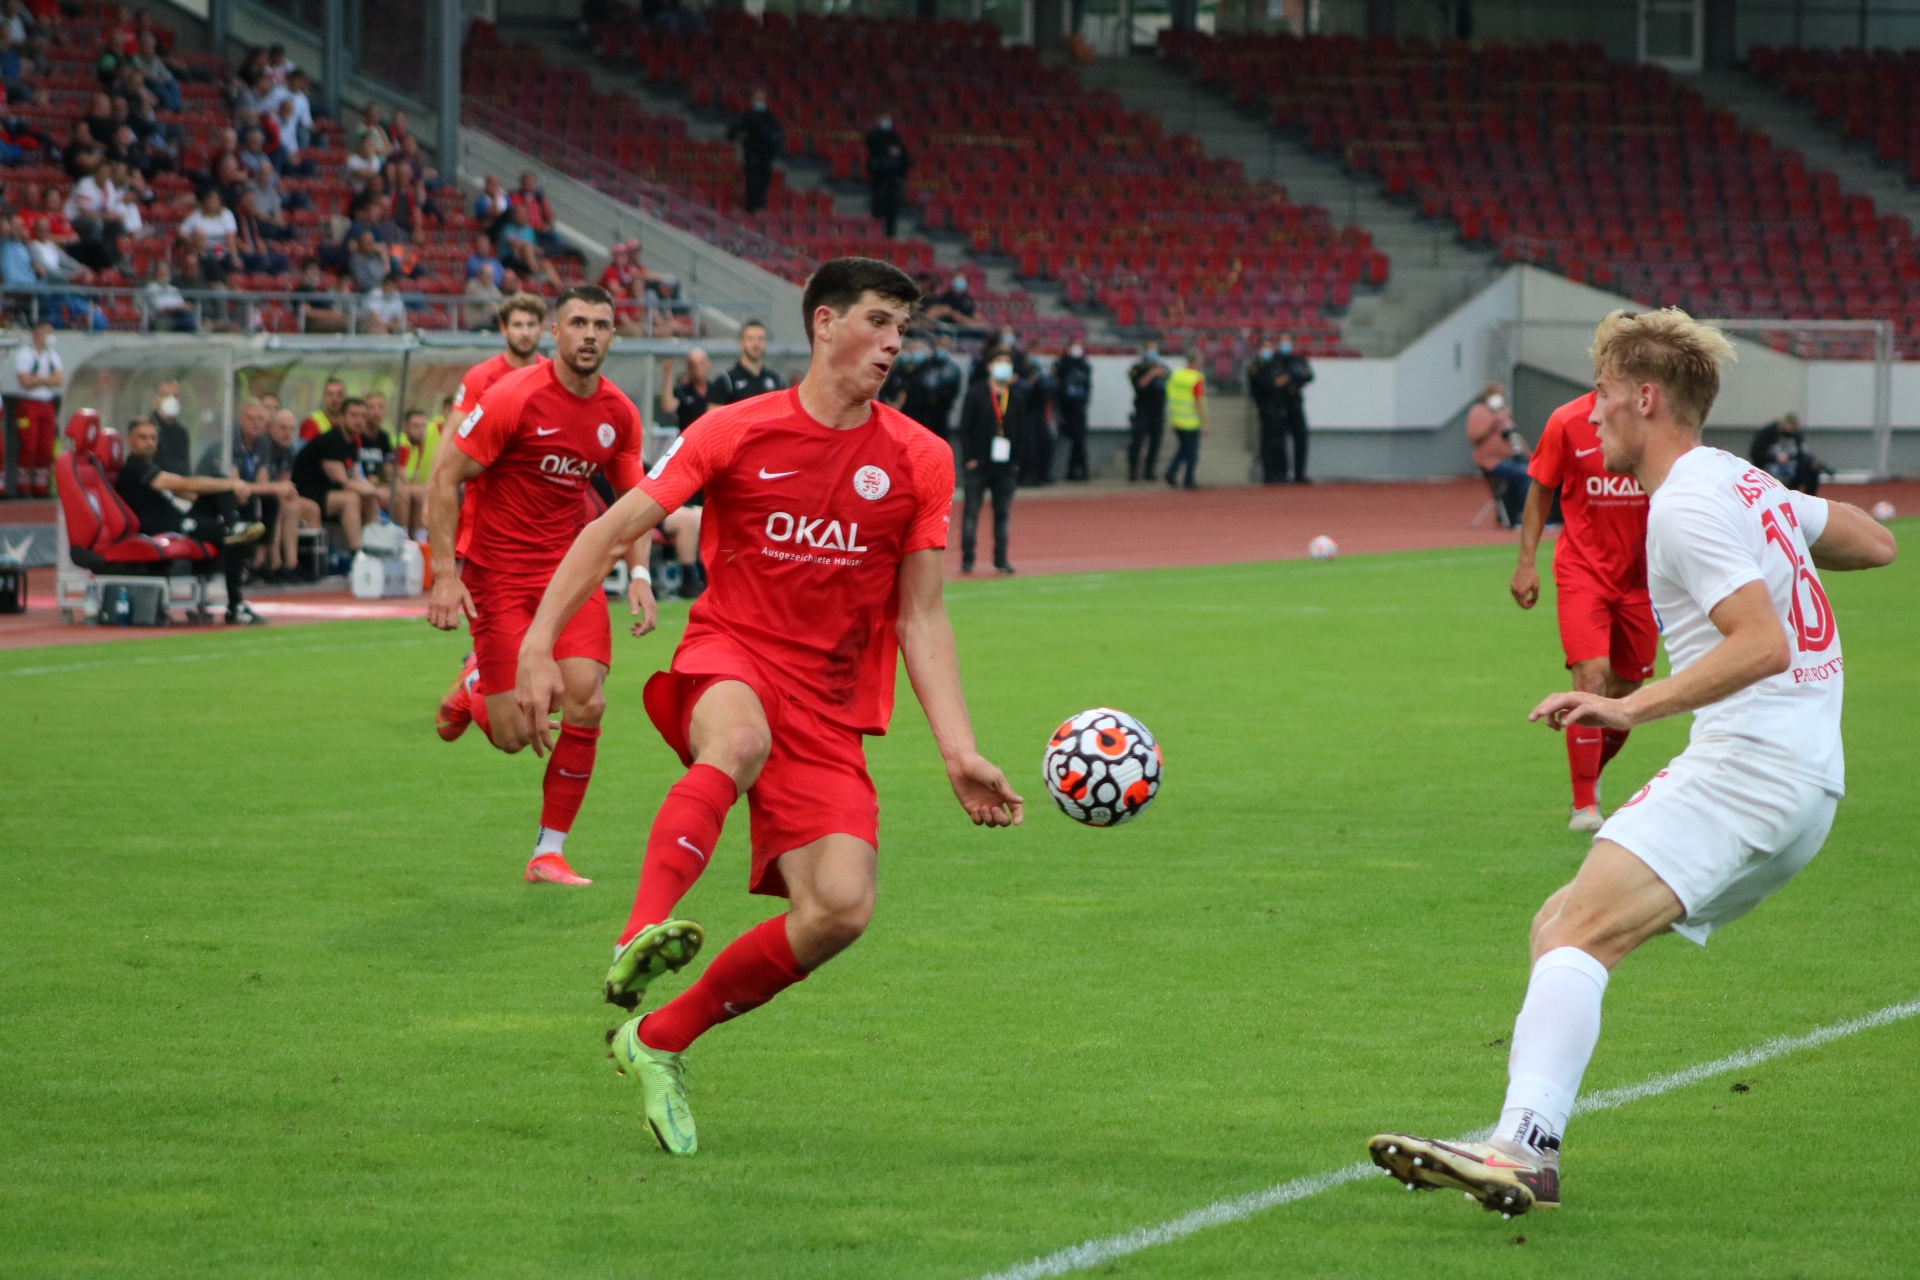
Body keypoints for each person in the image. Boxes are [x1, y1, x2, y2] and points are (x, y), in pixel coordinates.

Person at [1371, 308, 1898, 1217]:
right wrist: (1786, 517)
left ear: (1645, 399)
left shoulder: (1689, 498)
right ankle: (1525, 1138)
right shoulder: (1734, 480)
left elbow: (1762, 644)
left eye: (1606, 395)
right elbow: (1876, 540)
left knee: (1575, 933)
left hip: (1751, 767)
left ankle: (1524, 1151)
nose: (1594, 413)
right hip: (1801, 779)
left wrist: (1628, 702)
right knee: (1564, 926)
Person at [513, 257, 1022, 1157]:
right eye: (878, 322)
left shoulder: (919, 458)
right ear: (825, 325)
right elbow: (609, 529)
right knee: (737, 737)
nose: (894, 344)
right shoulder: (732, 429)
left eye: (903, 329)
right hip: (732, 653)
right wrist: (536, 645)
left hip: (829, 704)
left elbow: (921, 612)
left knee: (840, 908)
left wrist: (958, 751)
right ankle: (640, 933)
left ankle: (657, 1038)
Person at [425, 286, 647, 887]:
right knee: (514, 734)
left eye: (602, 324)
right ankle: (476, 679)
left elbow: (639, 501)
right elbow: (445, 480)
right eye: (578, 322)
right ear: (556, 331)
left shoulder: (618, 413)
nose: (590, 334)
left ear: (613, 336)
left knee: (587, 697)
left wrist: (641, 574)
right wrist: (445, 576)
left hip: (569, 573)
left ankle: (548, 852)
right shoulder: (511, 397)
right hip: (497, 575)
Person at [1510, 388, 1655, 831]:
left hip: (1642, 577)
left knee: (1627, 693)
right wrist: (1525, 562)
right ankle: (1584, 805)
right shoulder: (1567, 420)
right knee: (1591, 677)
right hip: (1582, 573)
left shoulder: (1658, 420)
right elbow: (1541, 491)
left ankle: (1590, 776)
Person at [116, 417, 268, 625]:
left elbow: (188, 493)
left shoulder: (151, 467)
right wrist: (230, 484)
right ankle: (235, 605)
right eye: (143, 438)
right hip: (165, 529)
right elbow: (184, 484)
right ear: (130, 440)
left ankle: (233, 524)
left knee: (218, 484)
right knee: (234, 535)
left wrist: (225, 487)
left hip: (180, 521)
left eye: (153, 437)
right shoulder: (135, 468)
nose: (150, 442)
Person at [958, 348, 1024, 575]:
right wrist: (969, 459)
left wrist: (1017, 461)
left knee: (1003, 513)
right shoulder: (976, 394)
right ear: (989, 366)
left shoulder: (1015, 397)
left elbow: (1022, 432)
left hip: (1005, 467)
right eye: (999, 361)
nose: (1003, 365)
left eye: (1008, 362)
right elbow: (965, 427)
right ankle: (967, 559)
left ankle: (1001, 559)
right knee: (971, 512)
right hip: (979, 464)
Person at [290, 396, 382, 551]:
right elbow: (342, 482)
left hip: (328, 492)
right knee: (350, 499)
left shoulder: (352, 442)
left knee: (370, 500)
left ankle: (375, 547)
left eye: (363, 416)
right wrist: (376, 491)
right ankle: (356, 552)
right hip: (308, 491)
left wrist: (374, 491)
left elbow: (356, 476)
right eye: (354, 416)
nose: (359, 421)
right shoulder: (330, 441)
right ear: (341, 417)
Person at [1468, 382, 1530, 527]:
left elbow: (1514, 436)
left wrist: (1529, 454)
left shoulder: (1504, 412)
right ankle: (1524, 516)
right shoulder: (1479, 411)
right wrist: (1494, 420)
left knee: (1536, 470)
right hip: (1491, 461)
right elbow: (1474, 436)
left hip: (1511, 458)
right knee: (1525, 473)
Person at [11, 319, 59, 496]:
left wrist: (36, 379)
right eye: (47, 332)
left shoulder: (52, 355)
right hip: (27, 405)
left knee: (46, 447)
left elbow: (59, 379)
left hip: (47, 404)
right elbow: (25, 381)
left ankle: (41, 487)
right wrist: (47, 380)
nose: (50, 336)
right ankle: (23, 487)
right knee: (28, 445)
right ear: (38, 333)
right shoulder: (25, 354)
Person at [725, 88, 783, 215]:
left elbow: (777, 135)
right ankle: (753, 208)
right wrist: (740, 134)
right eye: (757, 98)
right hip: (752, 156)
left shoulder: (769, 117)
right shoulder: (747, 116)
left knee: (763, 182)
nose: (760, 100)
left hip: (766, 156)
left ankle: (761, 207)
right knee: (753, 182)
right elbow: (732, 133)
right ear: (752, 99)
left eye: (762, 98)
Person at [706, 319, 783, 406]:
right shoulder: (726, 381)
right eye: (750, 339)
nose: (756, 344)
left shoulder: (776, 380)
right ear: (741, 342)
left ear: (766, 343)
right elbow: (714, 416)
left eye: (760, 339)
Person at [1269, 333, 1313, 483]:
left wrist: (1290, 378)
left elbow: (1308, 375)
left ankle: (1300, 474)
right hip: (1279, 404)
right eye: (1282, 342)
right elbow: (1274, 381)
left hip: (1295, 403)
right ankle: (1280, 473)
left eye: (1287, 342)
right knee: (1278, 441)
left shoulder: (1297, 360)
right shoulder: (1274, 361)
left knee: (1301, 438)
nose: (1284, 345)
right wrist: (1292, 377)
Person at [902, 331, 963, 436]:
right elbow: (914, 384)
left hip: (941, 411)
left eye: (945, 345)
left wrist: (939, 398)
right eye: (940, 344)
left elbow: (954, 389)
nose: (942, 348)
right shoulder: (924, 365)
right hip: (921, 410)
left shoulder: (953, 369)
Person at [1162, 351, 1206, 489]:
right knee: (1192, 452)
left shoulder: (1176, 375)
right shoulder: (1195, 378)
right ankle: (1189, 479)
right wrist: (1204, 421)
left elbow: (1169, 395)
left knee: (1183, 448)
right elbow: (1198, 401)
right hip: (1190, 420)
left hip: (1177, 418)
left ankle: (1171, 472)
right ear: (1197, 362)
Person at [1749, 412, 1821, 495]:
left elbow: (1802, 454)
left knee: (1812, 469)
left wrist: (1811, 462)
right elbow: (1755, 454)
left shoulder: (1797, 435)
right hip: (1770, 468)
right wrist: (1775, 458)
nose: (1790, 430)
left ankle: (1809, 498)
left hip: (1792, 469)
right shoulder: (1766, 434)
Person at [1126, 345, 1168, 481]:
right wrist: (1152, 374)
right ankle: (1133, 471)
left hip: (1158, 408)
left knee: (1155, 441)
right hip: (1143, 408)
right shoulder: (1137, 369)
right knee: (1137, 440)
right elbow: (1140, 385)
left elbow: (1169, 380)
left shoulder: (1163, 368)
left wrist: (1159, 372)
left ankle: (1149, 470)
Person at [1050, 343, 1091, 482]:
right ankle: (1078, 470)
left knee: (1079, 439)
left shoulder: (1084, 366)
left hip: (1079, 408)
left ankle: (1077, 470)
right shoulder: (1063, 365)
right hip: (1066, 409)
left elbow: (1087, 387)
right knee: (1077, 439)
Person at [863, 113, 909, 239]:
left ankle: (890, 234)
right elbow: (871, 145)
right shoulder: (874, 135)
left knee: (892, 206)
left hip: (893, 177)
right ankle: (875, 232)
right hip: (879, 176)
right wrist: (887, 150)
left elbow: (903, 154)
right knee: (878, 203)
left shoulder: (895, 136)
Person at [391, 407, 432, 538]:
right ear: (405, 427)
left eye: (423, 426)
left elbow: (414, 476)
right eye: (415, 426)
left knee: (427, 490)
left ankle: (421, 535)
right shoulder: (402, 444)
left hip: (403, 484)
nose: (421, 431)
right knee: (419, 493)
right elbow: (400, 475)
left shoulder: (418, 446)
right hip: (391, 484)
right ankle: (409, 536)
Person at [661, 348, 712, 432]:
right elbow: (668, 406)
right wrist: (668, 375)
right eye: (693, 365)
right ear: (688, 367)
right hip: (688, 439)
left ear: (708, 364)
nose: (698, 368)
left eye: (701, 364)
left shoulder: (715, 389)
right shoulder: (682, 391)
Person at [300, 376, 345, 442]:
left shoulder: (349, 423)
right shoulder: (312, 422)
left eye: (339, 394)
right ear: (323, 398)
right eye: (330, 394)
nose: (335, 399)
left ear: (345, 397)